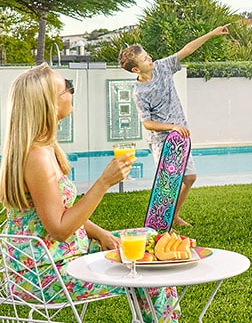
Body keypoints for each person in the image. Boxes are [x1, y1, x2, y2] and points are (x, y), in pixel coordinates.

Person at [0, 63, 179, 321]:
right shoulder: (36, 157)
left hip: (61, 259)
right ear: (48, 102)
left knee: (147, 238)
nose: (72, 92)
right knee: (148, 268)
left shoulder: (43, 149)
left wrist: (101, 234)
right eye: (67, 88)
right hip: (44, 275)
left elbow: (61, 213)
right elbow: (60, 230)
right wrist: (104, 182)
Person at [118, 25, 230, 227]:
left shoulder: (162, 67)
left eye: (147, 55)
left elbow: (186, 50)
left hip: (180, 135)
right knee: (170, 183)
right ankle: (159, 222)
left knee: (190, 177)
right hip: (161, 140)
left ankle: (174, 216)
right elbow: (147, 123)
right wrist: (171, 126)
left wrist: (211, 33)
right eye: (145, 59)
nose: (150, 59)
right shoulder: (140, 92)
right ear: (136, 69)